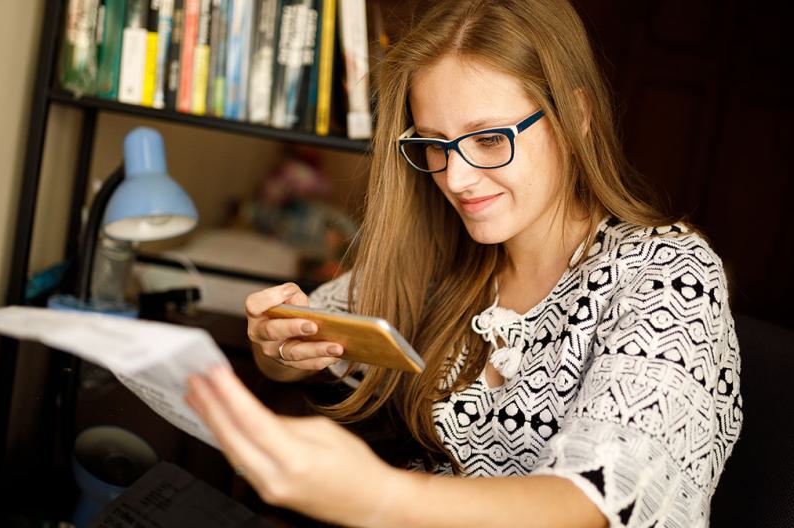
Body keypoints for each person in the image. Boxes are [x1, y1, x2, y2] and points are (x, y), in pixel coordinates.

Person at [183, 0, 742, 526]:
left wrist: (377, 495)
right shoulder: (442, 258)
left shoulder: (667, 274)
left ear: (575, 117)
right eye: (434, 143)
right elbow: (307, 344)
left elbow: (588, 504)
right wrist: (276, 344)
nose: (456, 177)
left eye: (490, 140)